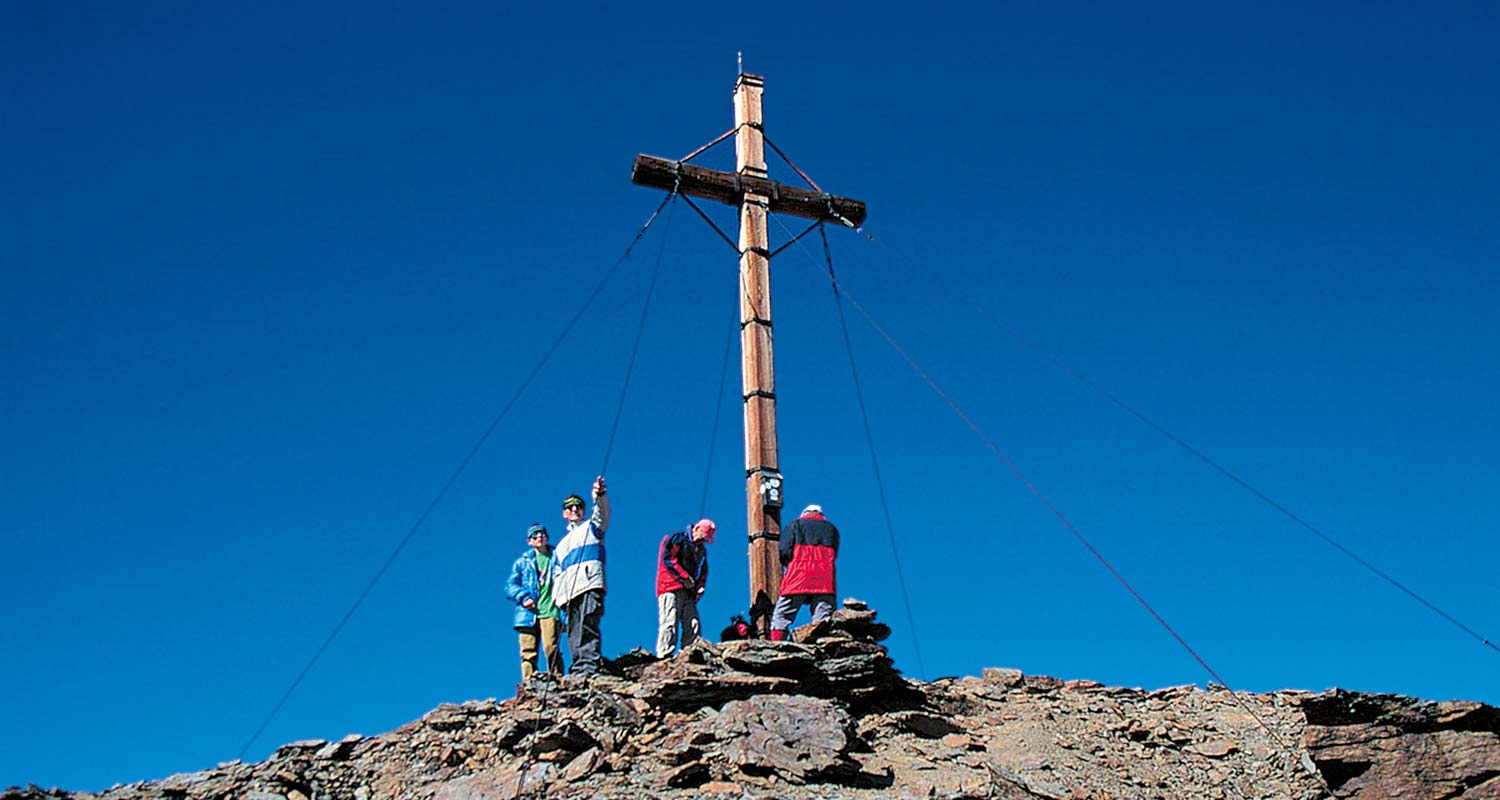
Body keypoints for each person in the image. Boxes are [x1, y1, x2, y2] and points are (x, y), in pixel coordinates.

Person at [553, 476, 609, 676]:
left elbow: (602, 514)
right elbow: (557, 576)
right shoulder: (560, 547)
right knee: (574, 631)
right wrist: (557, 602)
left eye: (578, 506)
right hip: (569, 594)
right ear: (564, 513)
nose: (574, 509)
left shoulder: (591, 528)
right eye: (570, 507)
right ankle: (579, 667)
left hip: (589, 583)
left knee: (587, 624)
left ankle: (589, 666)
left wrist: (599, 495)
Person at [769, 503, 839, 641]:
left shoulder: (794, 525)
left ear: (804, 514)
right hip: (825, 578)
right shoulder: (832, 529)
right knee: (822, 618)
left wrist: (788, 563)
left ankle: (776, 645)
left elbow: (784, 550)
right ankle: (821, 649)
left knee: (782, 615)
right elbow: (834, 553)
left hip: (798, 575)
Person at [504, 523, 564, 681]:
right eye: (534, 535)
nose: (539, 537)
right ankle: (529, 684)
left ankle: (558, 679)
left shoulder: (558, 557)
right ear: (529, 541)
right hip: (527, 614)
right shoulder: (522, 563)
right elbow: (510, 586)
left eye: (542, 534)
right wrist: (524, 597)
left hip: (550, 610)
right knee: (528, 651)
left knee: (551, 647)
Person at [655, 518, 715, 657]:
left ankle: (689, 654)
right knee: (669, 621)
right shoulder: (677, 539)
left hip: (688, 591)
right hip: (669, 587)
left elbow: (703, 570)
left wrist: (699, 586)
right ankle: (664, 655)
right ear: (696, 529)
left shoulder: (700, 551)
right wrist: (685, 577)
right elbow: (668, 559)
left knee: (693, 623)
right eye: (703, 537)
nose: (703, 541)